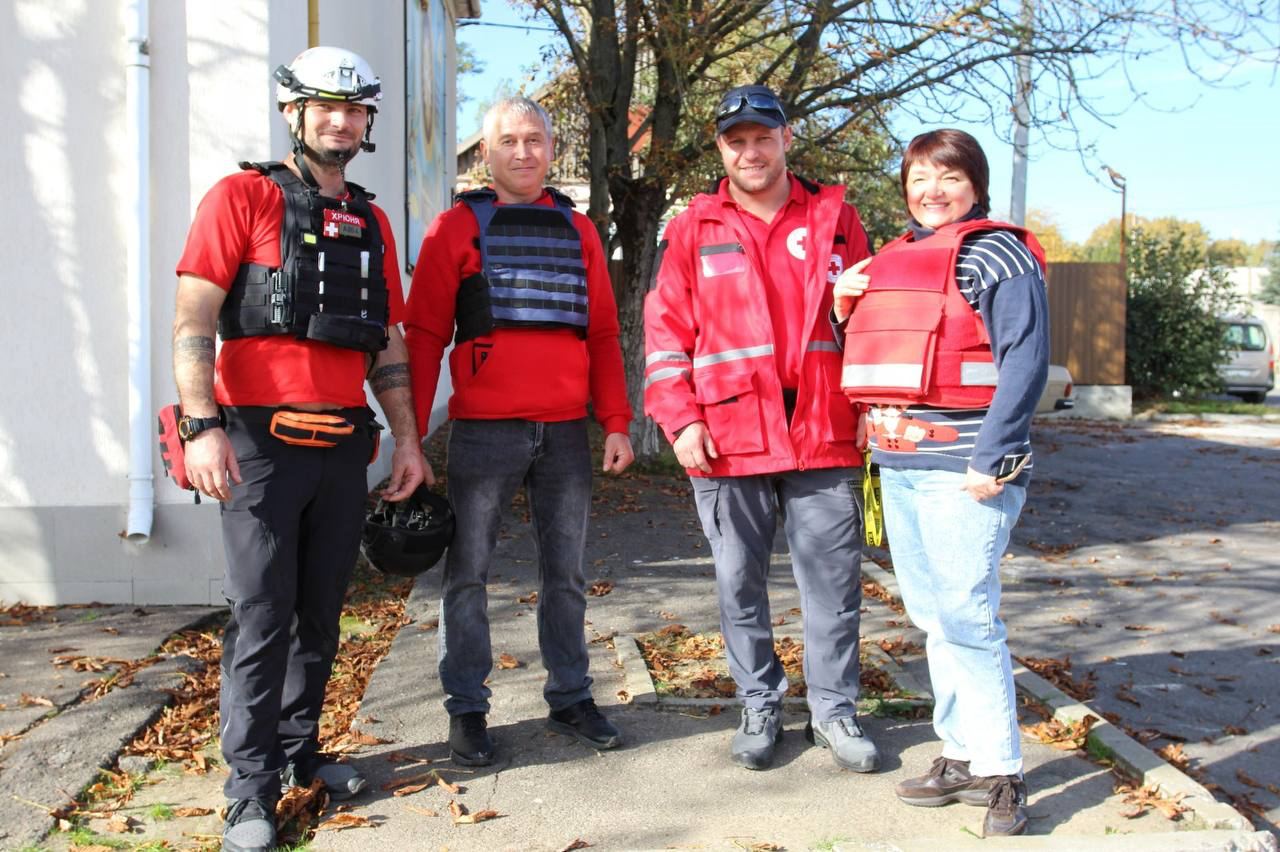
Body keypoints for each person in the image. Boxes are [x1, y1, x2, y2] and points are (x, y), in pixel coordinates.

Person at [172, 47, 428, 852]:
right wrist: (200, 425)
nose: (341, 121)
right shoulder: (239, 196)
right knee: (262, 617)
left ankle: (298, 754)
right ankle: (248, 792)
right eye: (325, 106)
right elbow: (193, 321)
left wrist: (409, 439)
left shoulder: (373, 219)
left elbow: (386, 336)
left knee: (322, 616)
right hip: (258, 443)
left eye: (354, 110)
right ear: (294, 112)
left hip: (343, 443)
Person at [643, 84, 878, 773]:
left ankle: (834, 712)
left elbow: (869, 327)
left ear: (785, 139)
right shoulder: (693, 228)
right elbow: (664, 336)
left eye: (762, 136)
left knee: (833, 591)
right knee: (737, 584)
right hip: (728, 436)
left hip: (823, 432)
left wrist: (871, 412)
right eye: (736, 139)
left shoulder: (837, 219)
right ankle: (760, 703)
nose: (751, 150)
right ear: (721, 147)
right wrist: (678, 419)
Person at [403, 96, 634, 767]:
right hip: (483, 433)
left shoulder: (580, 230)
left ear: (551, 149)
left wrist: (615, 422)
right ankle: (467, 710)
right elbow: (422, 337)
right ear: (485, 152)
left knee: (566, 574)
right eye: (509, 140)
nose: (523, 152)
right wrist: (412, 438)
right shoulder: (455, 227)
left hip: (564, 434)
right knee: (467, 576)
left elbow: (602, 334)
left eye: (535, 140)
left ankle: (570, 696)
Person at [834, 128, 1049, 837]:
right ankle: (959, 753)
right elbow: (873, 354)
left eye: (948, 176)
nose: (931, 190)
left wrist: (994, 457)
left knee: (968, 616)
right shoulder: (891, 257)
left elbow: (1024, 360)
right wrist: (842, 306)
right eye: (919, 176)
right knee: (933, 618)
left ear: (975, 185)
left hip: (965, 472)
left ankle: (1002, 773)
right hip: (899, 466)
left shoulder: (999, 253)